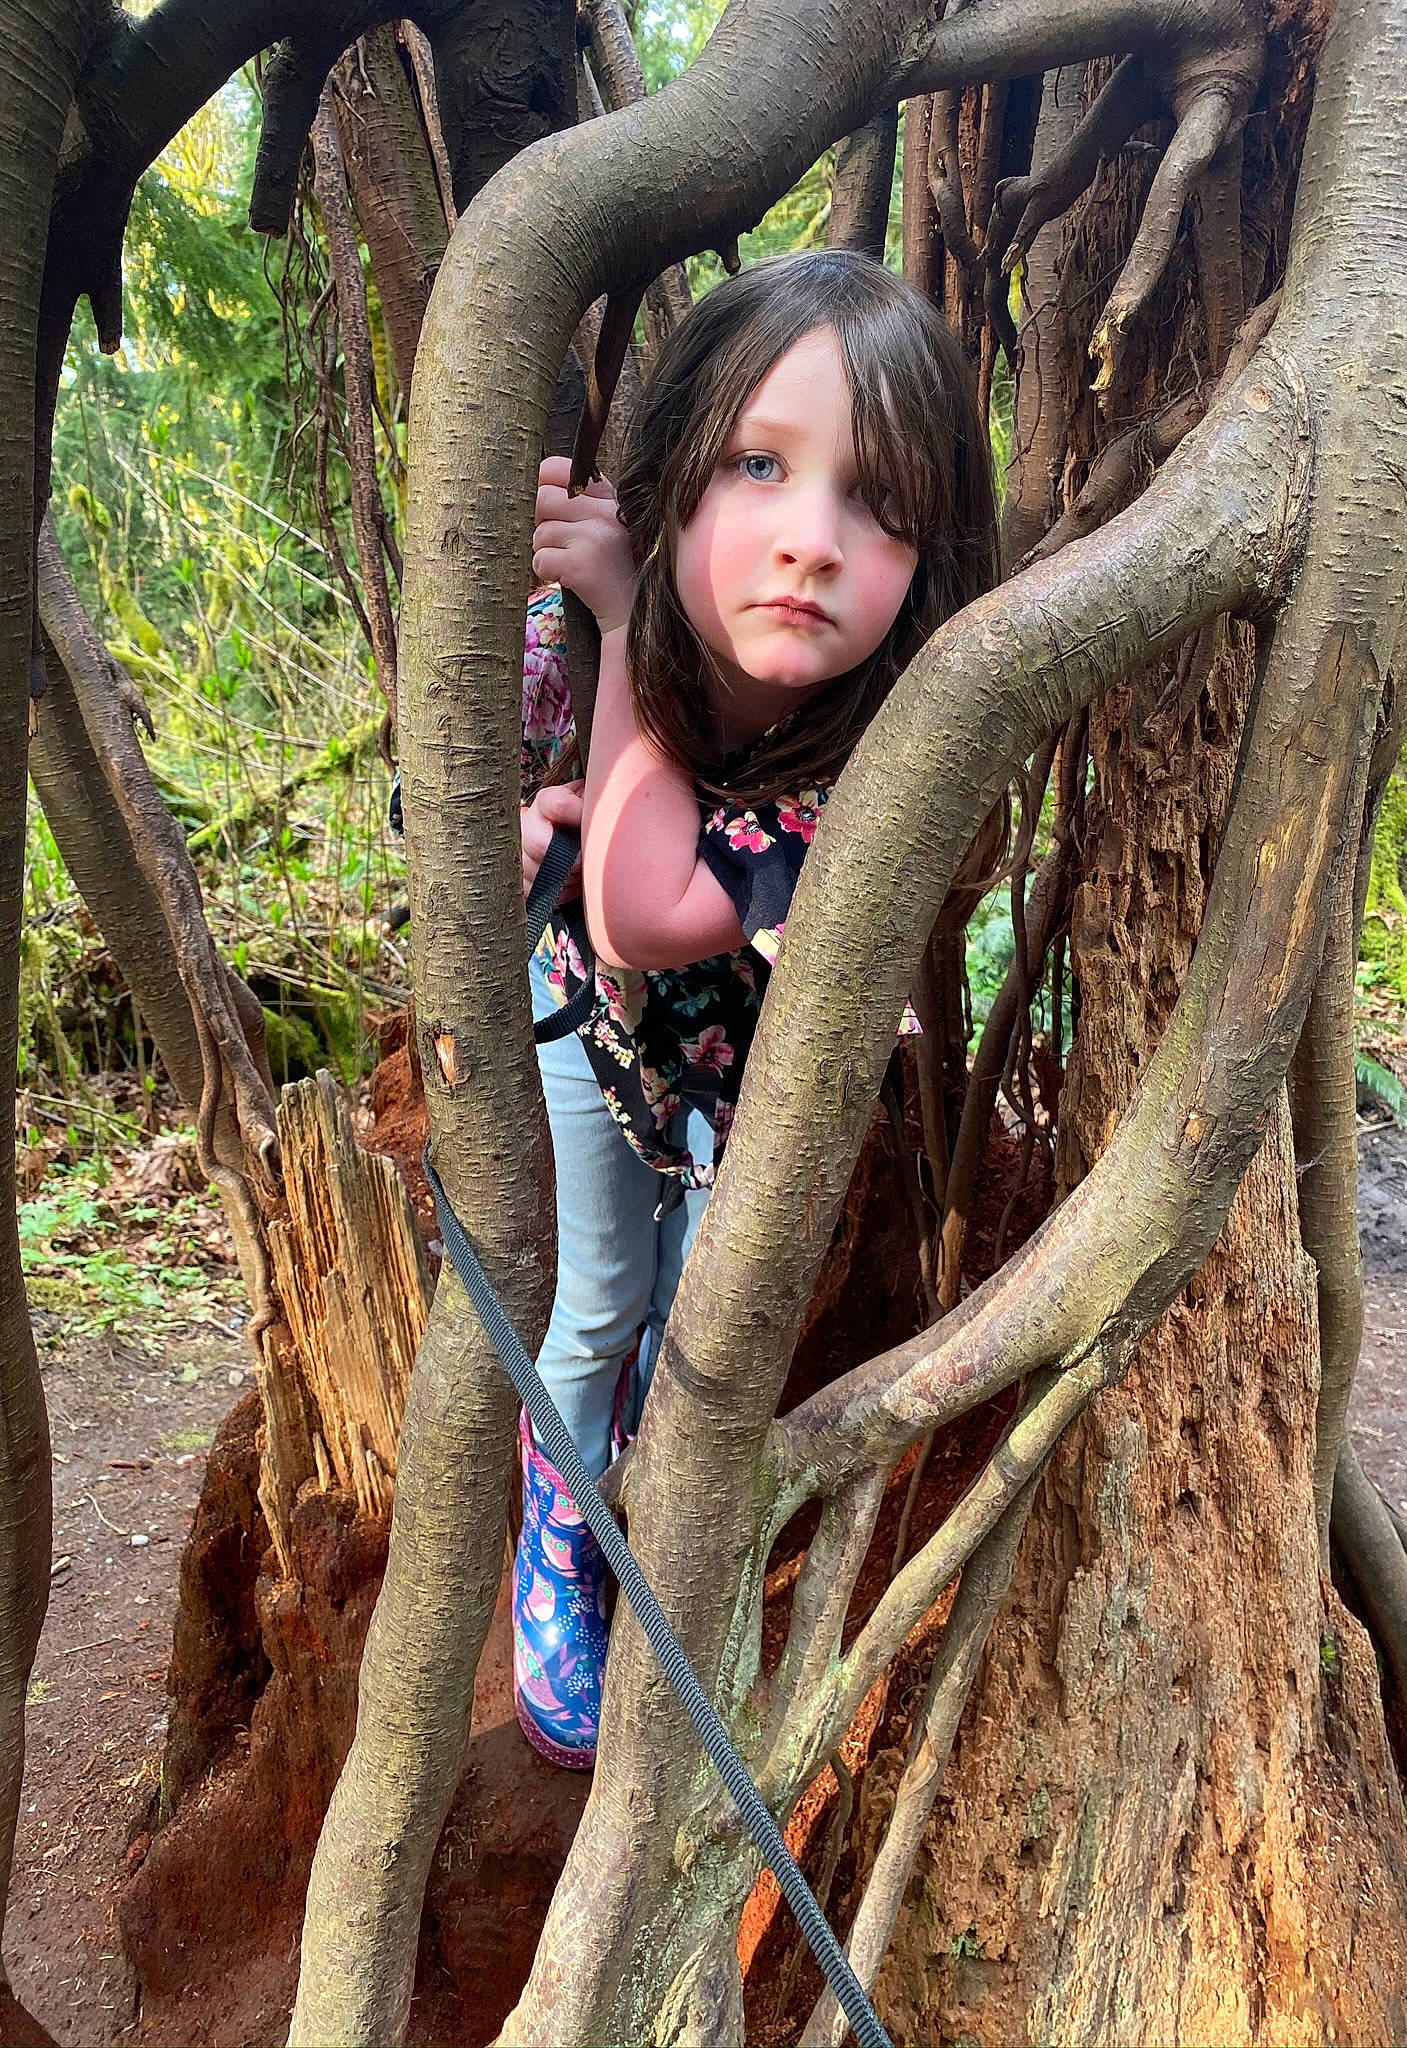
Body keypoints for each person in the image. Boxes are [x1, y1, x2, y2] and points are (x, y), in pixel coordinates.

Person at [510, 249, 998, 1768]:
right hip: (589, 1035)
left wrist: (622, 616)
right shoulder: (561, 643)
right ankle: (559, 1536)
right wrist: (522, 813)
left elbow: (650, 904)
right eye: (760, 466)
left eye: (880, 504)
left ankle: (662, 1533)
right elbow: (555, 872)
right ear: (677, 475)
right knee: (602, 1296)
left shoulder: (871, 765)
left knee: (699, 1322)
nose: (811, 543)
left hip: (731, 1067)